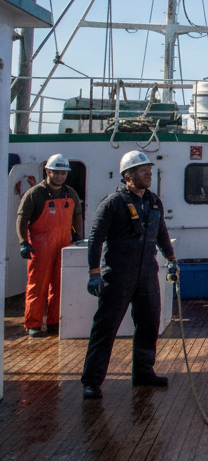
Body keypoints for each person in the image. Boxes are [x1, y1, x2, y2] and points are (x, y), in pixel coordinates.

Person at [80, 150, 178, 399]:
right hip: (118, 275)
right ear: (128, 176)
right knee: (106, 327)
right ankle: (92, 380)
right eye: (143, 170)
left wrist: (171, 259)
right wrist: (94, 273)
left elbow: (161, 233)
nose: (149, 173)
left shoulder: (154, 201)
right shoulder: (112, 203)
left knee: (149, 323)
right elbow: (96, 239)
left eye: (150, 169)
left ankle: (143, 370)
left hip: (147, 273)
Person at [16, 154, 84, 337]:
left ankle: (55, 322)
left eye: (63, 173)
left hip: (64, 245)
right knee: (37, 286)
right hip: (40, 247)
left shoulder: (71, 193)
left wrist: (78, 236)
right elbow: (22, 218)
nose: (60, 177)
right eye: (56, 173)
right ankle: (34, 324)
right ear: (48, 171)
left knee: (60, 286)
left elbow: (78, 215)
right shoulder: (35, 194)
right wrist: (23, 242)